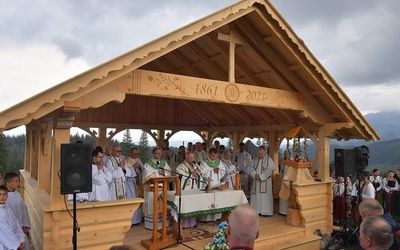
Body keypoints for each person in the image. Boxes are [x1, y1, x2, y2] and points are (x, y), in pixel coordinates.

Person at [142, 148, 172, 229]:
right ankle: (152, 225)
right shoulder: (148, 164)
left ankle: (164, 224)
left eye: (160, 153)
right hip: (152, 189)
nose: (159, 155)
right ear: (153, 153)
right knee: (153, 205)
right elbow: (146, 175)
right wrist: (158, 173)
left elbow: (169, 172)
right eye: (157, 153)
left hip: (163, 188)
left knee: (163, 205)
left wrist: (164, 172)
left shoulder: (164, 163)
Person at [3, 173, 31, 250]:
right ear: (8, 183)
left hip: (21, 228)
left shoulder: (16, 193)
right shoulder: (3, 198)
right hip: (10, 231)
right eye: (16, 181)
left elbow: (23, 210)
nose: (18, 183)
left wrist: (25, 225)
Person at [176, 152, 203, 228]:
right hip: (186, 189)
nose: (192, 159)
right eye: (190, 157)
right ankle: (184, 223)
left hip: (194, 188)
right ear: (186, 158)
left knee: (193, 204)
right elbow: (180, 175)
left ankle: (192, 222)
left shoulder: (195, 165)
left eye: (193, 157)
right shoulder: (181, 166)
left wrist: (196, 174)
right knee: (186, 205)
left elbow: (201, 173)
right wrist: (191, 175)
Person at [198, 147, 226, 221]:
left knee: (216, 200)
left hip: (217, 182)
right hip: (208, 184)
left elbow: (223, 170)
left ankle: (216, 217)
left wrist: (218, 171)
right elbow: (202, 172)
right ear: (209, 154)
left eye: (216, 156)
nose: (214, 158)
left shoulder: (219, 161)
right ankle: (206, 218)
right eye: (212, 156)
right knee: (207, 200)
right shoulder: (204, 162)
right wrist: (213, 171)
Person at [248, 146, 275, 216]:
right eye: (259, 154)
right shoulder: (255, 159)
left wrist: (261, 177)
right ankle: (256, 211)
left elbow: (270, 169)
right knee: (256, 195)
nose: (260, 156)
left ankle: (265, 212)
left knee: (264, 197)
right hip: (256, 181)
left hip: (265, 182)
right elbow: (250, 168)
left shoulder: (269, 159)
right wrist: (254, 175)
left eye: (261, 154)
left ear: (264, 152)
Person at [0, 185, 26, 250]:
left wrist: (21, 238)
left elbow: (15, 222)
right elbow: (5, 231)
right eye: (0, 194)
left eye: (4, 194)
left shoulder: (6, 206)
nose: (2, 196)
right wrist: (17, 244)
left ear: (7, 196)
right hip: (5, 243)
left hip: (14, 238)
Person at [124, 146, 144, 226]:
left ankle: (137, 220)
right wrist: (132, 167)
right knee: (131, 200)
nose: (136, 155)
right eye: (134, 153)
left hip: (138, 183)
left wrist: (139, 166)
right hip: (130, 184)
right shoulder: (126, 160)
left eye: (137, 153)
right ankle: (131, 220)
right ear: (130, 153)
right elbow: (125, 171)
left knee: (138, 199)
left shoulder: (138, 160)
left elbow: (143, 168)